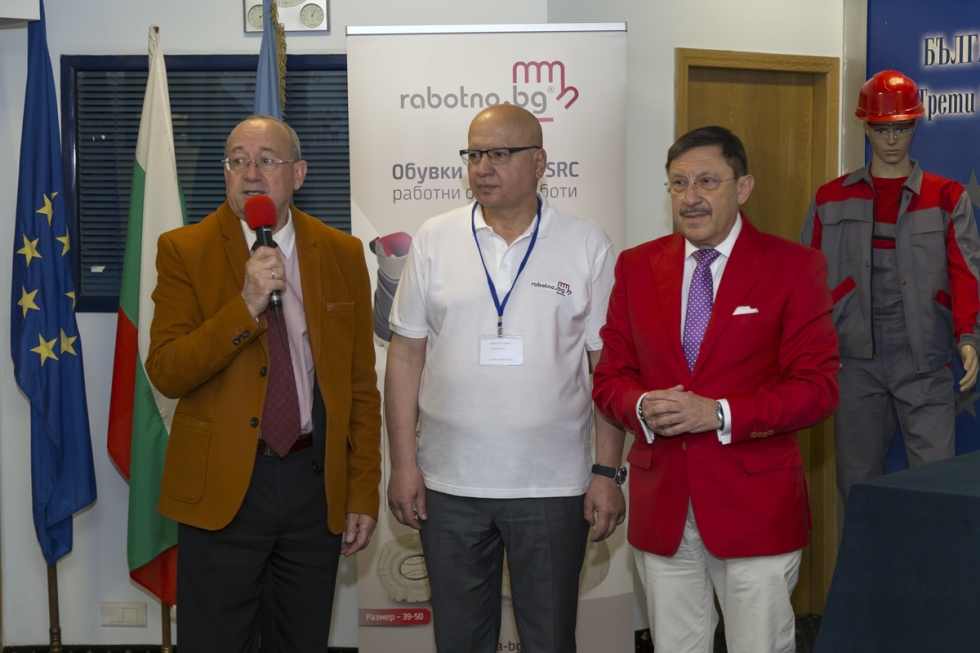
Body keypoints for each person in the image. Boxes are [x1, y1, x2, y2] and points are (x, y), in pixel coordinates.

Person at [384, 104, 625, 652]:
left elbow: (606, 367)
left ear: (539, 162)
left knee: (550, 639)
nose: (482, 168)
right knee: (460, 640)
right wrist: (402, 465)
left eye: (498, 154)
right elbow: (404, 357)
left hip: (554, 486)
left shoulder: (587, 243)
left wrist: (607, 471)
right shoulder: (435, 237)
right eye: (473, 154)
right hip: (448, 485)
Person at [592, 126, 840, 653]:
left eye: (707, 181)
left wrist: (719, 413)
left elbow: (817, 388)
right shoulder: (636, 267)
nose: (691, 197)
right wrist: (642, 404)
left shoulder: (794, 267)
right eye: (678, 183)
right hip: (663, 506)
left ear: (743, 187)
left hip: (755, 509)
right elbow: (610, 377)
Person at [144, 115, 382, 653]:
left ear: (298, 174)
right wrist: (245, 305)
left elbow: (359, 389)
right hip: (224, 484)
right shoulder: (184, 249)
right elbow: (167, 369)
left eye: (267, 160)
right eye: (238, 160)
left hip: (312, 483)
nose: (251, 172)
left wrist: (362, 491)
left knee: (301, 640)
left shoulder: (342, 252)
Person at [801, 70, 980, 503]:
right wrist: (807, 351)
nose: (892, 139)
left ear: (915, 125)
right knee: (858, 489)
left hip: (925, 359)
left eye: (901, 128)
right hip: (851, 364)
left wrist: (968, 337)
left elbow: (966, 274)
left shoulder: (946, 196)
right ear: (866, 128)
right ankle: (865, 553)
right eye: (882, 129)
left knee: (939, 490)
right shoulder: (829, 199)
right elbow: (805, 283)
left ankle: (935, 553)